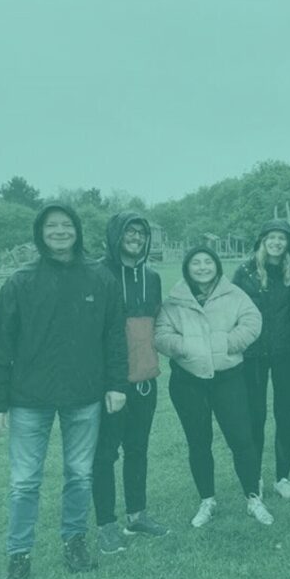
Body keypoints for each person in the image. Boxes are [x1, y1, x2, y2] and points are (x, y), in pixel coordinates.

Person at [0, 204, 127, 579]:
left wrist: (116, 383)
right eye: (52, 226)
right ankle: (18, 557)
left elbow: (114, 336)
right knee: (24, 482)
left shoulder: (100, 278)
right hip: (29, 399)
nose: (60, 231)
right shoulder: (20, 282)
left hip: (83, 398)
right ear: (40, 233)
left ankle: (75, 544)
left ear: (78, 231)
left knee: (79, 475)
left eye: (67, 225)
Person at [154, 247, 271, 527]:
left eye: (208, 262)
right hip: (188, 381)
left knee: (242, 440)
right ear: (187, 268)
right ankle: (207, 500)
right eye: (196, 263)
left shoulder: (233, 294)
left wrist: (227, 344)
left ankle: (253, 498)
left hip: (228, 378)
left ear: (217, 266)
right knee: (198, 441)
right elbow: (160, 334)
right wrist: (186, 348)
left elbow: (253, 321)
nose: (203, 267)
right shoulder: (175, 300)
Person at [92, 212, 170, 556]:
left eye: (141, 232)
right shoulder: (98, 273)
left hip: (144, 382)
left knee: (137, 449)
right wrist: (110, 381)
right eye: (129, 231)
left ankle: (136, 515)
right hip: (109, 384)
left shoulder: (151, 277)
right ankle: (106, 525)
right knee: (105, 454)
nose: (136, 237)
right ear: (116, 234)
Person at [233, 219, 290, 502]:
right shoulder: (245, 271)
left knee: (285, 416)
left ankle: (283, 477)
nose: (277, 242)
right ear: (263, 240)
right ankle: (254, 476)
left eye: (282, 238)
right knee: (255, 416)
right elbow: (231, 311)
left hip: (287, 354)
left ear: (288, 242)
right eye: (272, 237)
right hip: (253, 354)